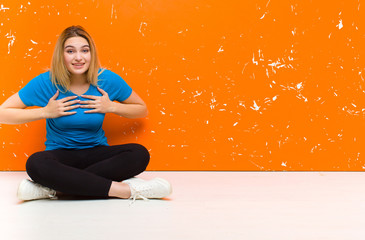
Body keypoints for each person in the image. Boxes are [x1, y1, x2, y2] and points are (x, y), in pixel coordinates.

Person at [0, 25, 172, 201]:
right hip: (60, 155)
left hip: (97, 154)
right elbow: (2, 114)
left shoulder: (106, 79)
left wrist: (112, 107)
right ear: (61, 55)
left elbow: (141, 109)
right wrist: (45, 112)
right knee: (36, 164)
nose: (79, 57)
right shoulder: (47, 82)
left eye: (84, 50)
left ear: (91, 54)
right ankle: (126, 191)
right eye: (70, 51)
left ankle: (54, 189)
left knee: (139, 154)